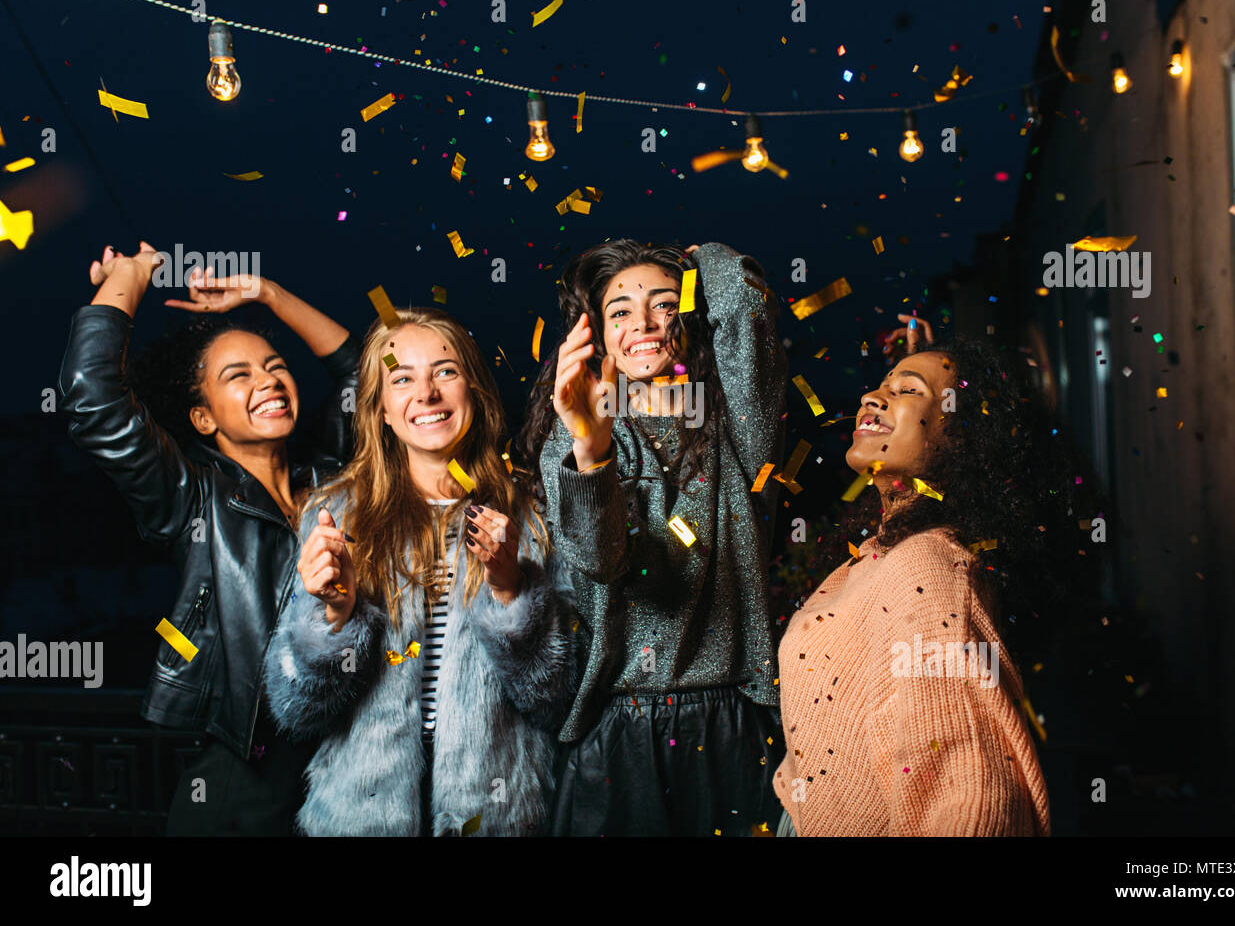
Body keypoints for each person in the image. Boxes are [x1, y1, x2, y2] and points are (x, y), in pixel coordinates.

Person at [58, 242, 360, 835]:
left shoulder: (330, 478)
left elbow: (362, 373)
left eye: (276, 366)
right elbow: (92, 395)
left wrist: (268, 294)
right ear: (204, 418)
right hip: (243, 774)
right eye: (238, 375)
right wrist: (127, 280)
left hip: (341, 769)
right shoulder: (192, 493)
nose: (269, 381)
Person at [263, 309, 574, 836]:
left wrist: (509, 590)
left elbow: (558, 701)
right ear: (381, 409)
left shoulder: (532, 514)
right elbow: (296, 711)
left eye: (445, 371)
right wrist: (335, 615)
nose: (426, 393)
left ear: (473, 388)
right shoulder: (337, 512)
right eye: (401, 378)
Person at [771, 324, 1090, 836]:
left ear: (963, 438)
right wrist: (919, 370)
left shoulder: (928, 572)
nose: (870, 397)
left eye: (905, 391)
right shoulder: (887, 547)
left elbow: (970, 800)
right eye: (882, 384)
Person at [515, 239, 787, 836]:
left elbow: (747, 310)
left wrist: (704, 256)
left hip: (733, 711)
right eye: (618, 312)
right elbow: (601, 560)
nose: (642, 323)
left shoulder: (733, 426)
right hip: (621, 721)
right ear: (596, 334)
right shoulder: (578, 432)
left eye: (664, 304)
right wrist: (590, 449)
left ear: (688, 317)